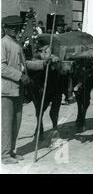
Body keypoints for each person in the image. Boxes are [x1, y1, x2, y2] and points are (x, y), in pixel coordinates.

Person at [2, 15, 48, 164]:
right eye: (12, 28)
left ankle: (12, 151)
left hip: (18, 90)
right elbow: (1, 67)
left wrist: (42, 64)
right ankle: (4, 155)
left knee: (16, 122)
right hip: (7, 90)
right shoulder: (3, 44)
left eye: (17, 28)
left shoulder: (16, 44)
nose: (15, 30)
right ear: (5, 28)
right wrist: (20, 77)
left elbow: (24, 64)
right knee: (7, 124)